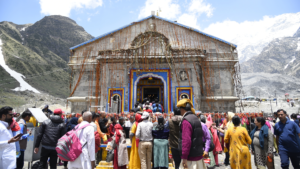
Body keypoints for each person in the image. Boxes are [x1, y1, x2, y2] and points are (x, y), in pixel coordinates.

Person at [176, 99, 210, 169]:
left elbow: (186, 141)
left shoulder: (186, 121)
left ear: (182, 109)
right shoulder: (196, 118)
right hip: (198, 156)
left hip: (190, 159)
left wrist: (184, 157)